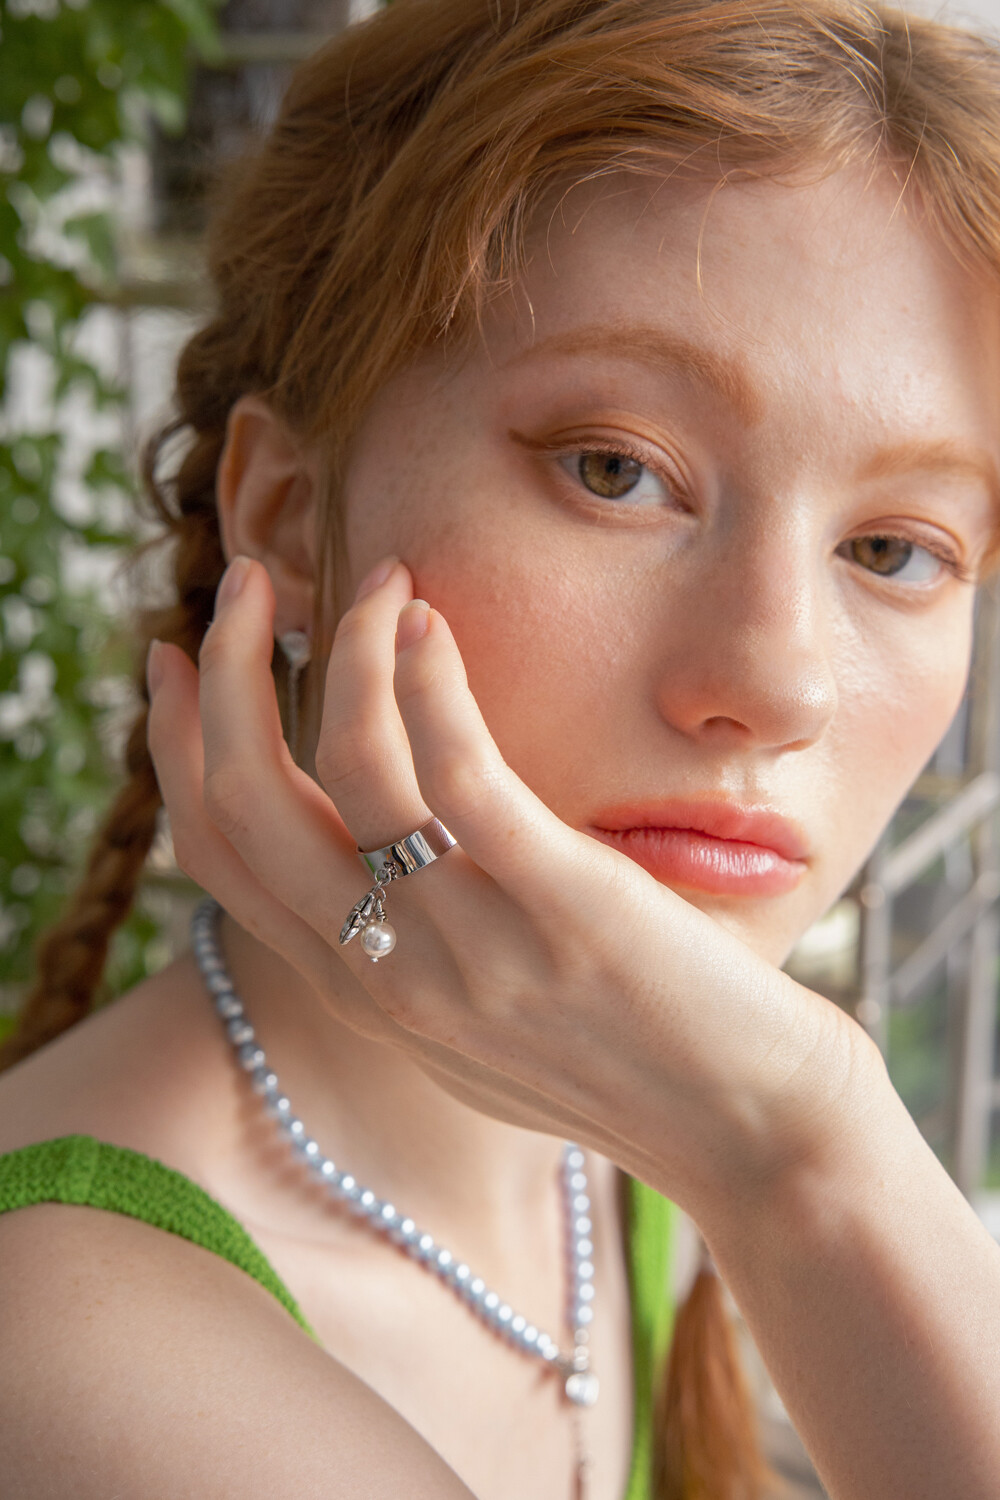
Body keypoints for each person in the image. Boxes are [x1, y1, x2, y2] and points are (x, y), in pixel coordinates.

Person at [2, 0, 1000, 1495]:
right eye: (615, 470)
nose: (779, 681)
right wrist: (798, 1159)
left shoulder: (617, 1123)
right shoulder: (84, 1357)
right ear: (286, 514)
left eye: (895, 548)